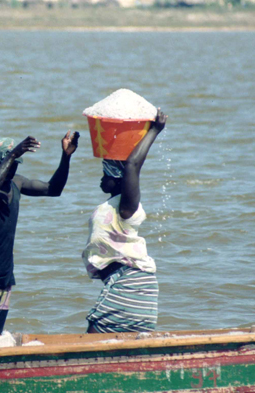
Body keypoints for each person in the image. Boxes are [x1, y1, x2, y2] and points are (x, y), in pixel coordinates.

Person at [0, 132, 79, 335]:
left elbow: (53, 189)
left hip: (4, 270)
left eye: (17, 162)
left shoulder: (17, 183)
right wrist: (12, 156)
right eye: (12, 161)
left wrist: (66, 156)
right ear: (0, 161)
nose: (14, 168)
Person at [82, 109, 167, 334]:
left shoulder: (127, 207)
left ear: (119, 179)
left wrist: (153, 131)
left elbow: (131, 166)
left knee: (95, 332)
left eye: (106, 173)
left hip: (131, 282)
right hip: (130, 284)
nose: (102, 178)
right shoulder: (114, 206)